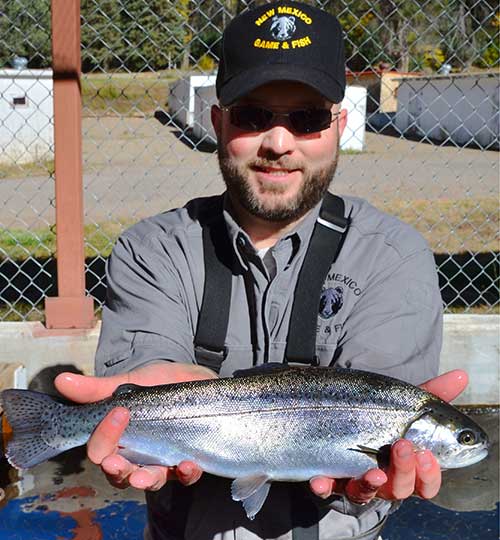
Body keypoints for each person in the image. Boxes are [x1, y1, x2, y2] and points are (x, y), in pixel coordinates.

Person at [55, 2, 468, 539]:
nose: (278, 142)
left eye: (307, 118)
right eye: (253, 116)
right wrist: (144, 407)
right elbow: (143, 368)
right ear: (217, 121)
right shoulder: (151, 249)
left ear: (339, 126)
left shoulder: (393, 255)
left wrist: (369, 474)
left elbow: (380, 433)